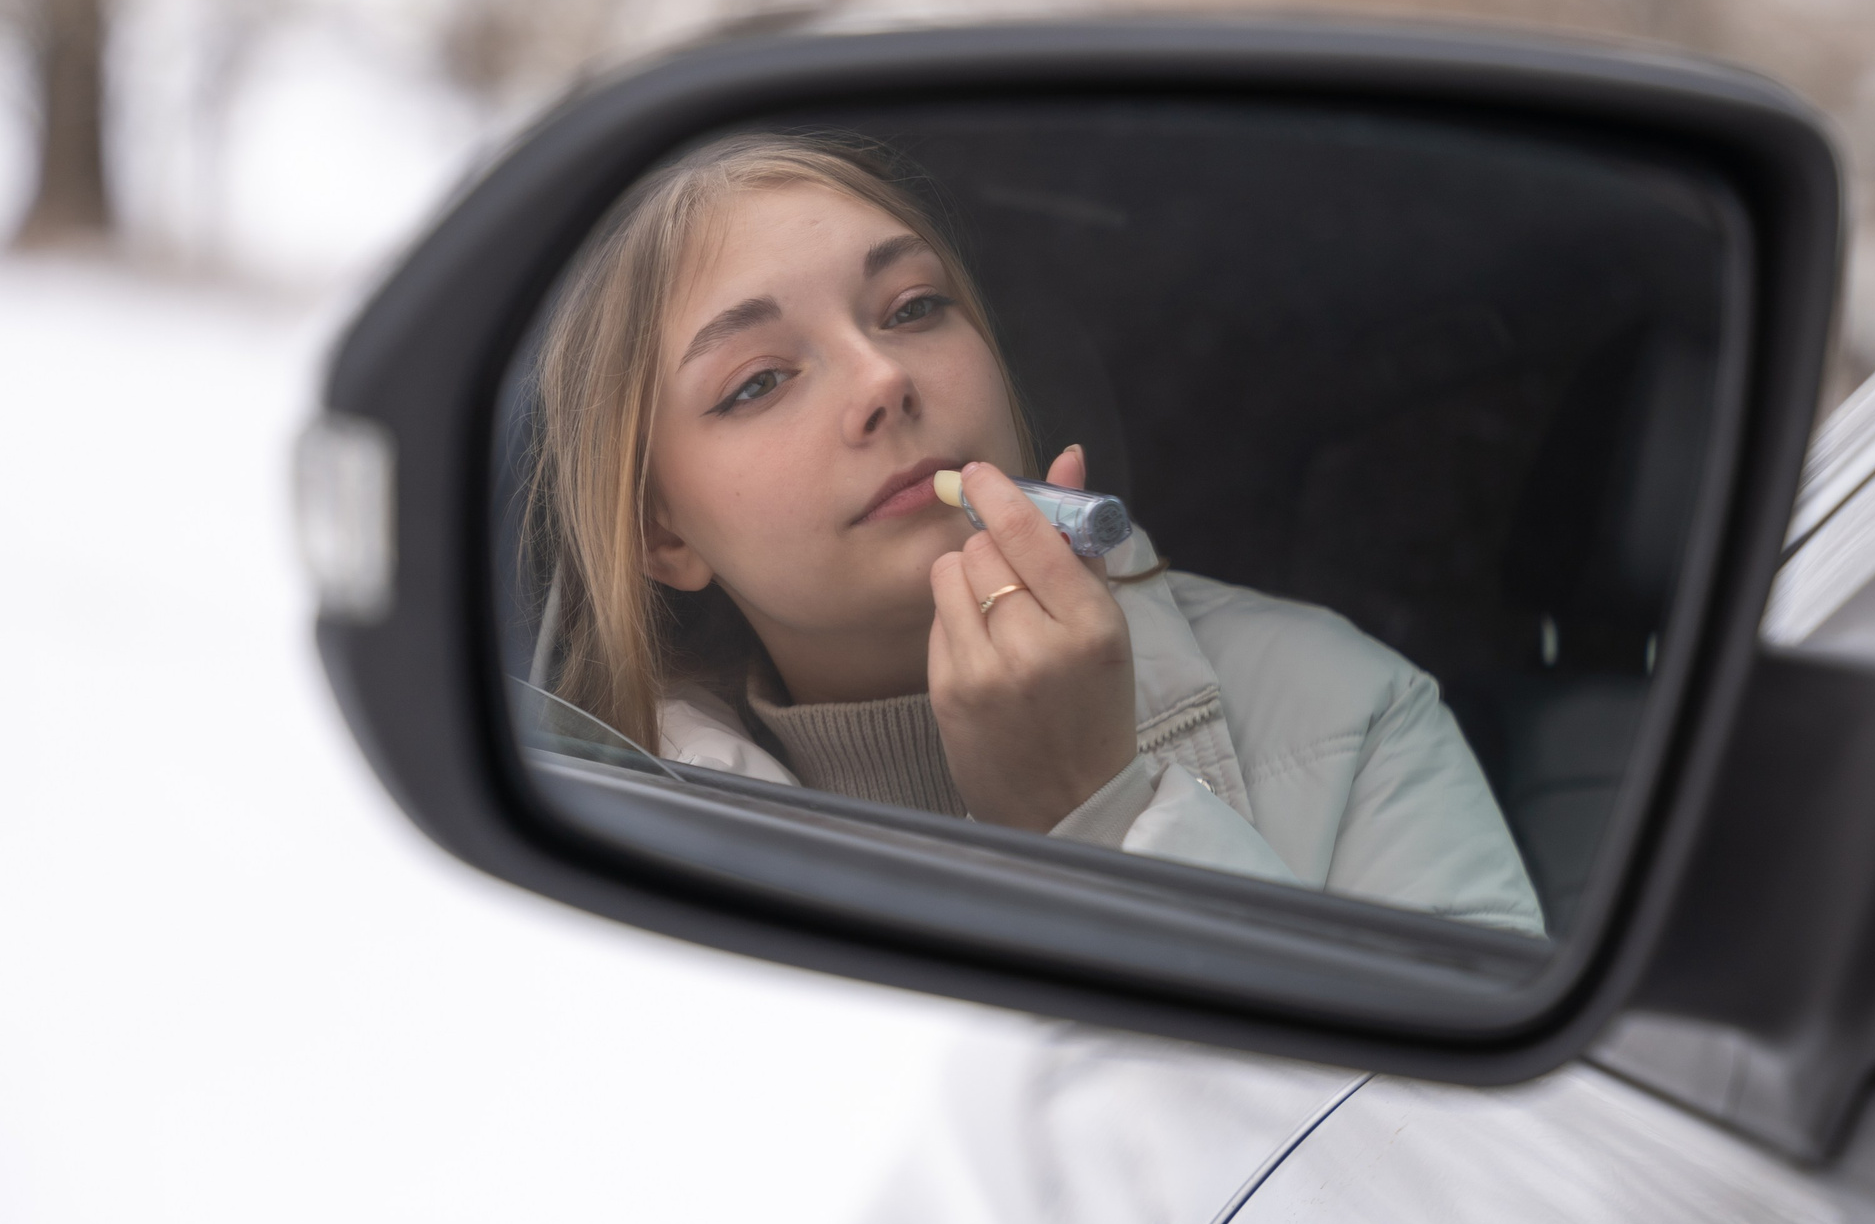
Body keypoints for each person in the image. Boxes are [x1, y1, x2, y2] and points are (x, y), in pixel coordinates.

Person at [525, 131, 1544, 937]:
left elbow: (1462, 1176)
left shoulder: (1350, 706)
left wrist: (1094, 810)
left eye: (914, 307)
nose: (884, 379)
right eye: (758, 380)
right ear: (662, 535)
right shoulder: (596, 833)